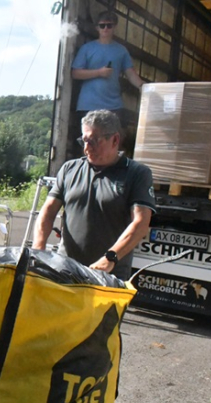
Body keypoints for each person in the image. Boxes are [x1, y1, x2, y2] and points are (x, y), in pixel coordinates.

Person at [32, 110, 155, 281]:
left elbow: (141, 223)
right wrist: (39, 250)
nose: (87, 148)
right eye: (84, 140)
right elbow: (48, 211)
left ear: (115, 140)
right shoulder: (69, 169)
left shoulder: (137, 173)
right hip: (65, 269)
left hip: (109, 275)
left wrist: (110, 258)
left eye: (94, 141)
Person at [72, 11, 144, 126]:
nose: (105, 28)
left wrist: (142, 87)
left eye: (109, 25)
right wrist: (99, 72)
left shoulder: (121, 50)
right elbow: (75, 73)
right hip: (88, 105)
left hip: (113, 106)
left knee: (111, 142)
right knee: (90, 141)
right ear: (97, 28)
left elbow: (130, 73)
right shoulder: (87, 49)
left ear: (114, 27)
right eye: (102, 25)